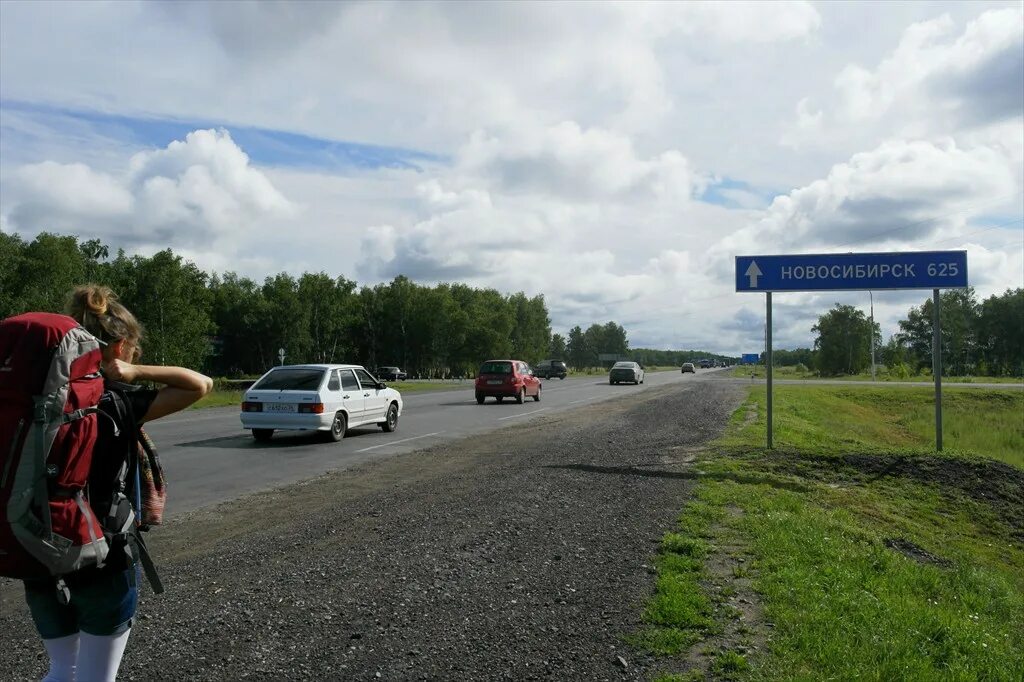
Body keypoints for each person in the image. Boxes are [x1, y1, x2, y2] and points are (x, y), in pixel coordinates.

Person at [22, 285, 213, 682]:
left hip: (37, 548)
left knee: (61, 668)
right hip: (102, 556)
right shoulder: (119, 402)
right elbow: (200, 384)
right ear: (121, 346)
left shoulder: (31, 403)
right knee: (95, 676)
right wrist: (135, 374)